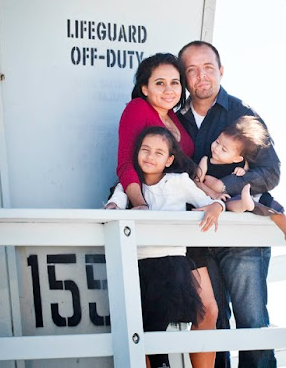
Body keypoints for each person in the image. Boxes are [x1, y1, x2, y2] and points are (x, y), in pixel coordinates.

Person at [107, 52, 220, 368]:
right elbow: (125, 164)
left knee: (206, 309)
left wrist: (213, 195)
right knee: (148, 316)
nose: (169, 89)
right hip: (151, 221)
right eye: (160, 83)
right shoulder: (137, 109)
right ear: (144, 87)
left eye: (175, 82)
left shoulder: (176, 118)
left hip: (183, 222)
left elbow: (186, 172)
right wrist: (139, 204)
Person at [177, 41, 282, 368]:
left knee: (252, 324)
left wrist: (226, 186)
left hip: (242, 237)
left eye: (208, 67)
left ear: (221, 70)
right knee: (214, 327)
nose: (201, 76)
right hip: (198, 238)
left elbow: (271, 171)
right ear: (184, 77)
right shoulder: (174, 120)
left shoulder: (241, 113)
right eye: (192, 70)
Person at [197, 115, 286, 243]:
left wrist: (242, 171)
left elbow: (247, 175)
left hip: (244, 194)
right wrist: (213, 193)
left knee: (270, 203)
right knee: (231, 203)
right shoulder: (206, 161)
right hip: (223, 200)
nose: (216, 148)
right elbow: (196, 182)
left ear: (237, 158)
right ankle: (245, 204)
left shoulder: (241, 163)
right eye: (217, 142)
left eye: (224, 149)